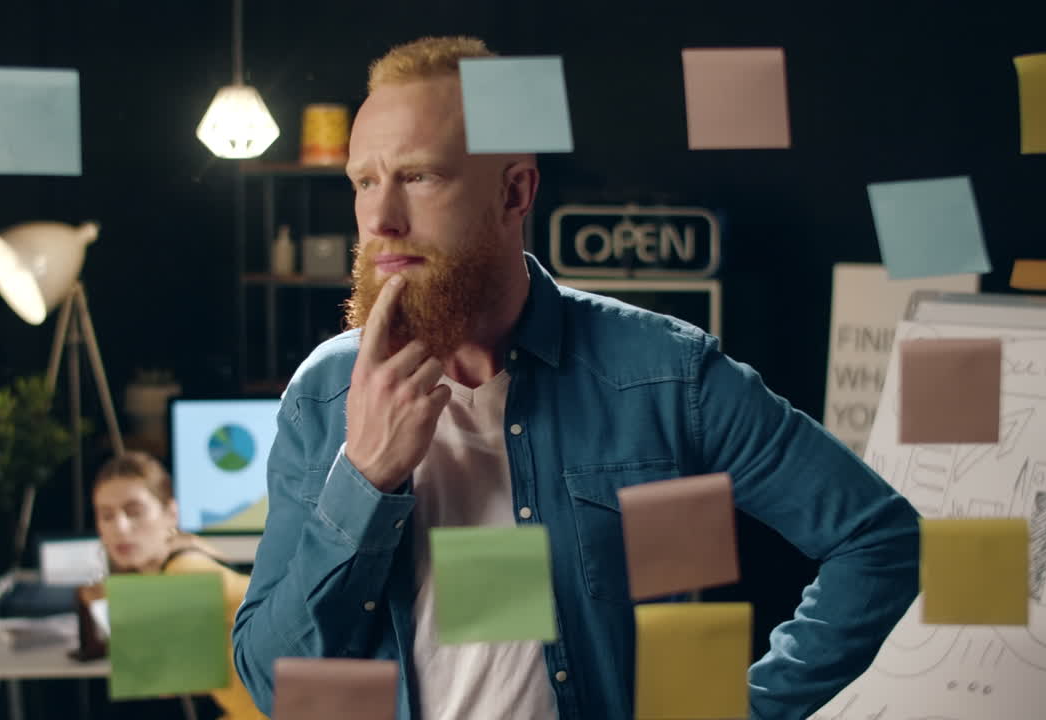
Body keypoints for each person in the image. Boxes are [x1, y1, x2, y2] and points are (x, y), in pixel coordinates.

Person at [232, 36, 919, 720]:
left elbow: (880, 540)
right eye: (363, 181)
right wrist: (365, 479)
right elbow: (275, 684)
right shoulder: (323, 395)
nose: (380, 219)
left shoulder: (664, 375)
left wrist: (752, 709)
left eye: (419, 176)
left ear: (514, 190)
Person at [92, 451, 267, 720]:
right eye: (106, 516)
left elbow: (158, 682)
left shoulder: (184, 571)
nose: (120, 527)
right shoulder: (180, 561)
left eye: (134, 512)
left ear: (170, 513)